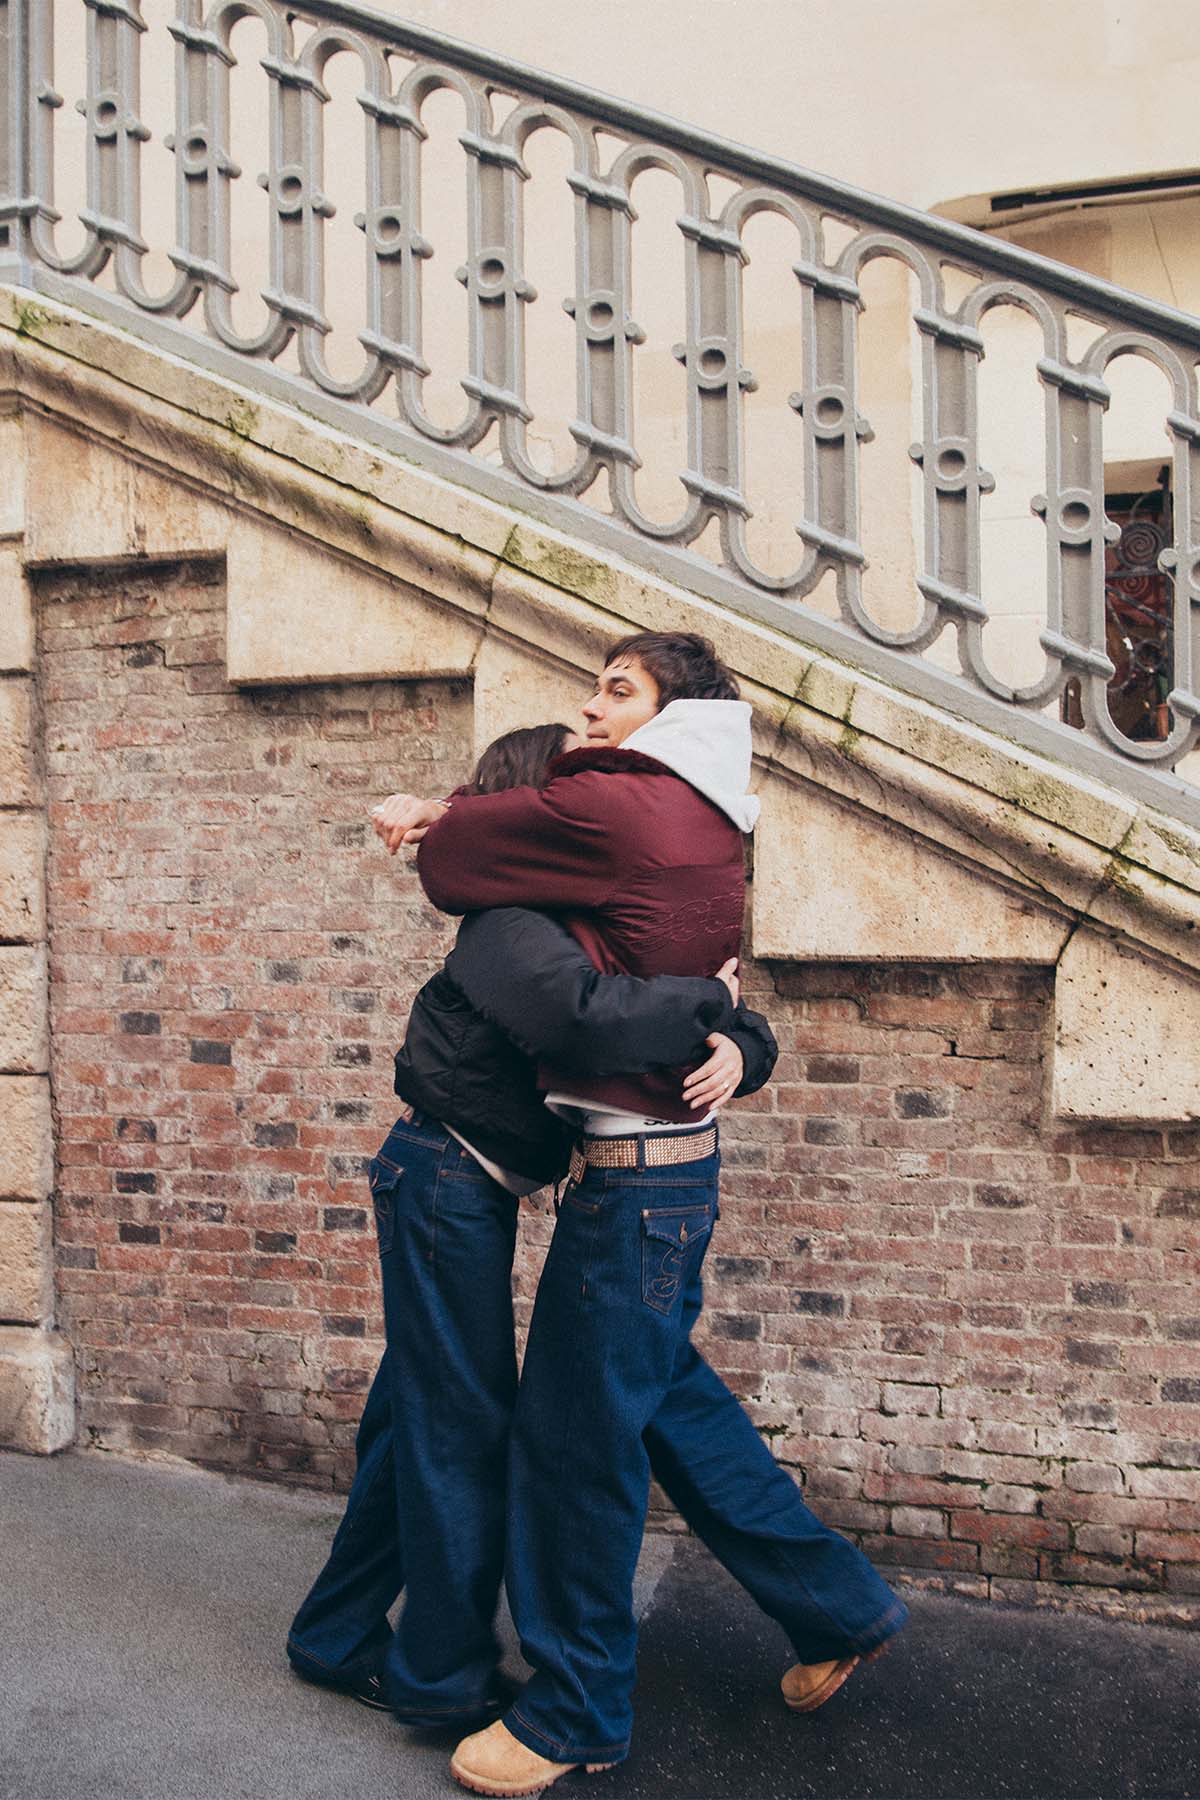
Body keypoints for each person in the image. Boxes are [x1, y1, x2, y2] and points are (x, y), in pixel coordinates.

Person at [378, 634, 907, 1797]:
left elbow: (474, 867)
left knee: (575, 1449)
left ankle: (574, 1715)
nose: (593, 709)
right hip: (664, 1177)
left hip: (632, 1187)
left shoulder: (618, 803)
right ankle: (839, 1607)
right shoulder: (708, 812)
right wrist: (732, 1021)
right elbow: (696, 962)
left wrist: (439, 817)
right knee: (676, 1407)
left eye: (618, 691)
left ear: (679, 713)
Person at [287, 722, 777, 1732]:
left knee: (416, 1421)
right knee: (457, 1431)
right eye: (567, 809)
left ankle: (332, 1635)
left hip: (468, 1191)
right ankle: (442, 1678)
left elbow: (668, 995)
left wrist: (739, 1031)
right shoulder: (509, 924)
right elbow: (589, 1021)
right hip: (441, 1185)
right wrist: (708, 1001)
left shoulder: (582, 919)